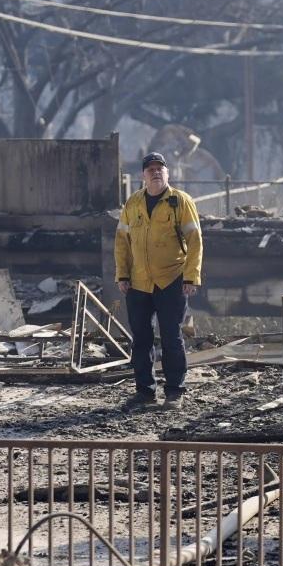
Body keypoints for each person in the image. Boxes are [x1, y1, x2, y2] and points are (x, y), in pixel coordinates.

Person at [113, 152, 203, 409]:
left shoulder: (180, 202)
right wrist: (123, 274)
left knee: (171, 336)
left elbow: (195, 242)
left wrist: (191, 276)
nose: (155, 172)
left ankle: (174, 391)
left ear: (167, 174)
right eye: (150, 169)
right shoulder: (133, 204)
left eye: (159, 169)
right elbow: (121, 242)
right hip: (138, 282)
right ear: (143, 175)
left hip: (171, 279)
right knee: (140, 338)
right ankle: (145, 392)